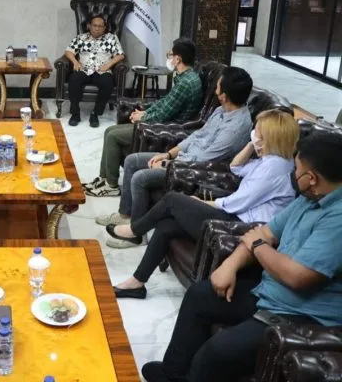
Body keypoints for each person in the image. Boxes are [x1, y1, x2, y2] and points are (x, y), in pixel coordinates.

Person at [141, 131, 342, 382]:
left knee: (214, 354)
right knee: (199, 296)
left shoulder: (337, 218)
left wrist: (257, 245)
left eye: (297, 170)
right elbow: (266, 232)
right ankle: (173, 374)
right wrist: (231, 265)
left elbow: (297, 275)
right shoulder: (309, 198)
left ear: (312, 178)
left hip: (301, 314)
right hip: (270, 292)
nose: (293, 175)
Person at [107, 109, 299, 298]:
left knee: (172, 200)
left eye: (258, 134)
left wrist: (207, 203)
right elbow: (235, 167)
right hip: (235, 217)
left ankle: (135, 230)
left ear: (271, 139)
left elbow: (239, 202)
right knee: (166, 226)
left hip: (238, 225)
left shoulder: (274, 167)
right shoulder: (272, 160)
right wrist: (251, 144)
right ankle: (137, 283)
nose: (254, 135)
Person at [96, 66, 254, 236]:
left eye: (218, 86)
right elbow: (197, 135)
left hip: (192, 170)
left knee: (140, 178)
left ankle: (136, 233)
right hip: (182, 159)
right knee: (132, 160)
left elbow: (206, 158)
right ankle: (126, 215)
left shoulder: (236, 128)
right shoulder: (221, 110)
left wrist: (169, 164)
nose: (215, 89)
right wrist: (168, 154)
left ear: (224, 95)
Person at [84, 38, 203, 196]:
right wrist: (144, 113)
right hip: (163, 121)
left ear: (178, 59)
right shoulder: (185, 76)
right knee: (109, 131)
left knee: (113, 135)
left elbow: (164, 114)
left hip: (167, 128)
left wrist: (143, 119)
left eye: (170, 55)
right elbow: (165, 103)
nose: (169, 58)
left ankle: (111, 186)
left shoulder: (186, 83)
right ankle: (103, 178)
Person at [64, 15, 125, 127]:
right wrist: (75, 62)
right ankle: (75, 113)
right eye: (94, 25)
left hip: (102, 70)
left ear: (104, 28)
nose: (97, 28)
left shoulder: (111, 38)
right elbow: (68, 51)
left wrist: (108, 64)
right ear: (89, 26)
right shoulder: (81, 37)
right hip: (84, 69)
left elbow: (120, 55)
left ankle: (95, 113)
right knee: (74, 78)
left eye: (100, 26)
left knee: (107, 82)